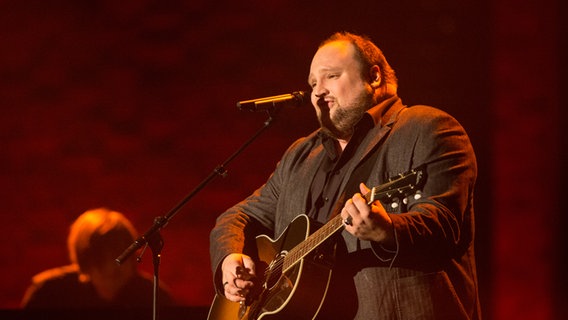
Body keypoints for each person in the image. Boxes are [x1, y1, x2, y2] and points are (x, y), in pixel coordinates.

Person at [209, 31, 481, 319]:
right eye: (313, 83)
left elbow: (444, 223)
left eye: (331, 76)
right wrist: (230, 258)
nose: (317, 91)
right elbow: (236, 217)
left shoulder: (427, 128)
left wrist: (387, 230)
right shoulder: (300, 155)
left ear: (374, 77)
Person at [22, 208, 174, 309]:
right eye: (101, 258)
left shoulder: (154, 296)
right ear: (85, 261)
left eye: (121, 254)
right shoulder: (48, 294)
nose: (112, 267)